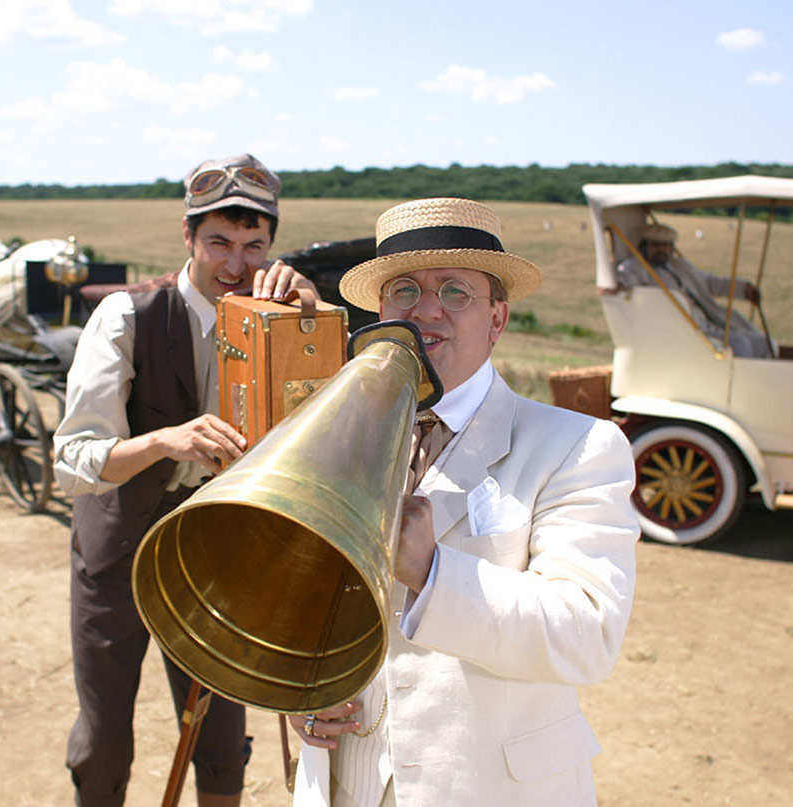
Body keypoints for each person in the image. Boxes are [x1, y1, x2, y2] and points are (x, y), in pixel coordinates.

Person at [287, 198, 640, 807]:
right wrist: (302, 689)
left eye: (456, 292)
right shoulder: (334, 432)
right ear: (379, 309)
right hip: (349, 783)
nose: (426, 310)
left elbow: (588, 632)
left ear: (497, 319)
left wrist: (430, 573)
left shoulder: (580, 445)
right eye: (404, 290)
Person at [52, 153, 320, 807]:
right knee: (105, 740)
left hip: (215, 557)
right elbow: (74, 458)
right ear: (188, 236)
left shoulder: (278, 314)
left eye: (255, 245)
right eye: (219, 243)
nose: (237, 265)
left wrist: (311, 321)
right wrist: (165, 441)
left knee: (223, 744)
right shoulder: (128, 315)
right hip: (118, 551)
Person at [612, 222, 772, 357]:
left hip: (706, 323)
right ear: (644, 246)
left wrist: (744, 289)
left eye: (666, 245)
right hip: (679, 330)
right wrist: (616, 286)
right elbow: (623, 281)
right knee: (740, 345)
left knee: (765, 344)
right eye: (655, 245)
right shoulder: (635, 267)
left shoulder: (679, 266)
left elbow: (710, 283)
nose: (661, 249)